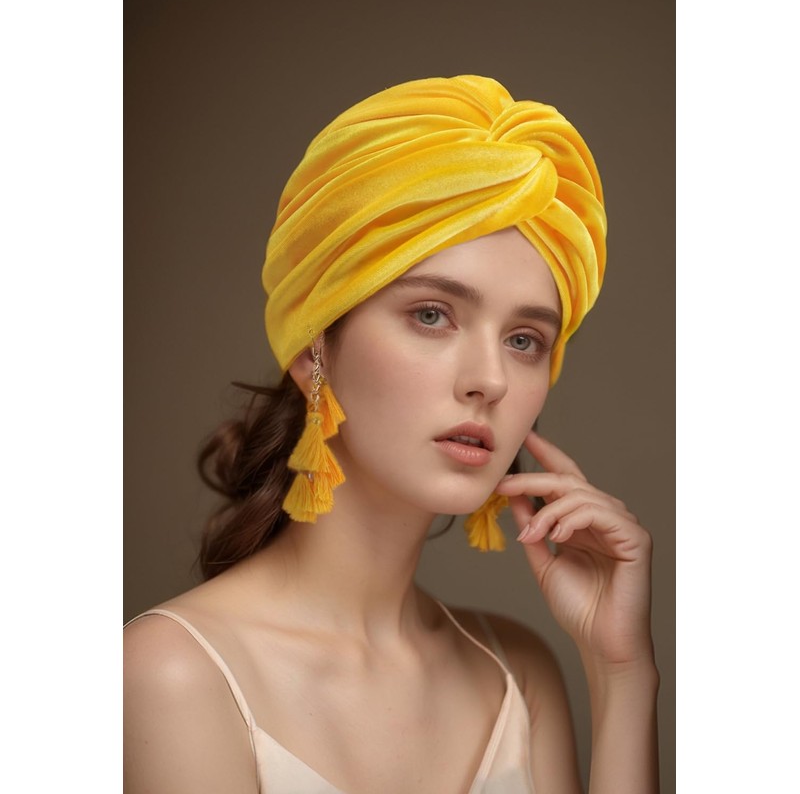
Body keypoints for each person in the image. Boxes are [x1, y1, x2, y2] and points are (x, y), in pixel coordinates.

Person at [124, 74, 659, 793]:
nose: (491, 380)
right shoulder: (172, 673)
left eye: (525, 340)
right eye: (432, 315)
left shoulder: (517, 675)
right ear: (313, 346)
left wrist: (622, 674)